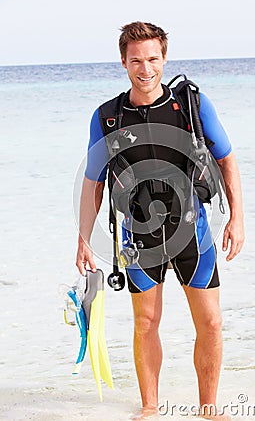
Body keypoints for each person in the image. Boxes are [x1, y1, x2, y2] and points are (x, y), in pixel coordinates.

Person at [76, 21, 244, 420]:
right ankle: (150, 407)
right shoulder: (108, 118)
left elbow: (227, 160)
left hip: (194, 231)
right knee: (146, 322)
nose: (145, 68)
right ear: (123, 62)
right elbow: (93, 183)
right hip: (138, 235)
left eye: (153, 58)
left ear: (164, 58)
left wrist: (238, 218)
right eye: (136, 60)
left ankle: (208, 409)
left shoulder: (191, 107)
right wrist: (84, 239)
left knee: (212, 323)